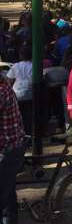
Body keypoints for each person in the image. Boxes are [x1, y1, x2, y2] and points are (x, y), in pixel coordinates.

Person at [0, 76, 26, 224]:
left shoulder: (1, 90)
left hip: (8, 150)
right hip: (11, 146)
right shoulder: (4, 83)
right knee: (7, 194)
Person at [6, 44, 33, 132]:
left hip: (16, 94)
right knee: (29, 114)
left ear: (20, 55)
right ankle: (29, 131)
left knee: (19, 113)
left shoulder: (15, 66)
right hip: (30, 94)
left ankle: (21, 130)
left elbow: (9, 80)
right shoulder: (34, 66)